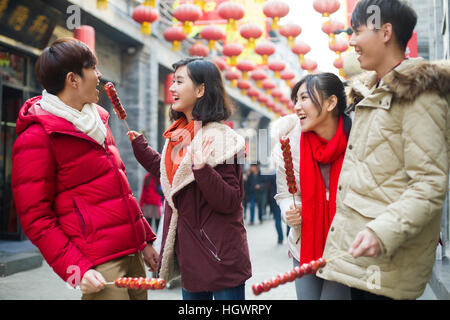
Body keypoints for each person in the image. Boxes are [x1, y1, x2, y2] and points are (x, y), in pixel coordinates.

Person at [318, 0, 450, 300]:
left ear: (386, 31)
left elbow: (429, 184)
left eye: (357, 31)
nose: (351, 40)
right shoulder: (373, 93)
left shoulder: (419, 94)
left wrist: (382, 232)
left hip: (388, 263)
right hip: (362, 258)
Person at [11, 38, 159, 300]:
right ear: (73, 79)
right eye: (93, 68)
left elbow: (121, 190)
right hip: (99, 264)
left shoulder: (98, 120)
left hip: (131, 253)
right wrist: (75, 271)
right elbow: (36, 218)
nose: (100, 76)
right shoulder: (37, 137)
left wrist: (144, 240)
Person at [127, 57, 252, 300]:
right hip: (190, 255)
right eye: (173, 82)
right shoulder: (178, 135)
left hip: (221, 254)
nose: (172, 88)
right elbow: (177, 180)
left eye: (179, 81)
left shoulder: (224, 137)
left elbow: (230, 200)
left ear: (201, 89)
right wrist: (142, 151)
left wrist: (203, 168)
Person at [271, 72, 352, 300]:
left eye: (304, 98)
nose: (297, 107)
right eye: (295, 100)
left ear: (331, 102)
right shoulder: (288, 142)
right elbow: (285, 193)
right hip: (304, 242)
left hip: (344, 246)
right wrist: (289, 212)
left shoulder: (357, 139)